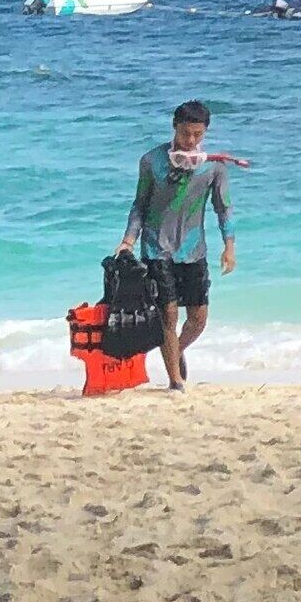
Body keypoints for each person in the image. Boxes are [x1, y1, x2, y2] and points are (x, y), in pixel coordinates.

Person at [120, 100, 239, 387]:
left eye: (198, 134)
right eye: (186, 133)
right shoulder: (152, 161)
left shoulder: (214, 166)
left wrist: (229, 246)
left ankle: (176, 350)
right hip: (156, 248)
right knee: (168, 315)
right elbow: (139, 205)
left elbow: (223, 208)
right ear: (175, 127)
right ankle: (176, 381)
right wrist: (128, 241)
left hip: (193, 250)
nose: (191, 140)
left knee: (198, 319)